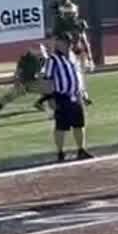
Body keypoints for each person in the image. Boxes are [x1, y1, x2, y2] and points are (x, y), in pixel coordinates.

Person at [43, 32, 91, 162]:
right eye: (64, 42)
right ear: (58, 43)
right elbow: (47, 80)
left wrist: (83, 92)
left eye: (69, 42)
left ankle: (81, 149)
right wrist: (50, 98)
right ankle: (60, 152)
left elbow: (78, 75)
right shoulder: (52, 60)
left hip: (75, 95)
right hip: (61, 96)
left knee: (79, 124)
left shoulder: (73, 57)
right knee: (61, 126)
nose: (68, 45)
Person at [0, 42, 52, 119]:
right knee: (8, 97)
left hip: (34, 82)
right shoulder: (25, 59)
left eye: (42, 51)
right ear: (32, 50)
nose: (41, 53)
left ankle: (40, 103)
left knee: (53, 89)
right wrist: (17, 82)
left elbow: (44, 70)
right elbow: (17, 73)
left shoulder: (43, 59)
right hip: (23, 83)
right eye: (39, 51)